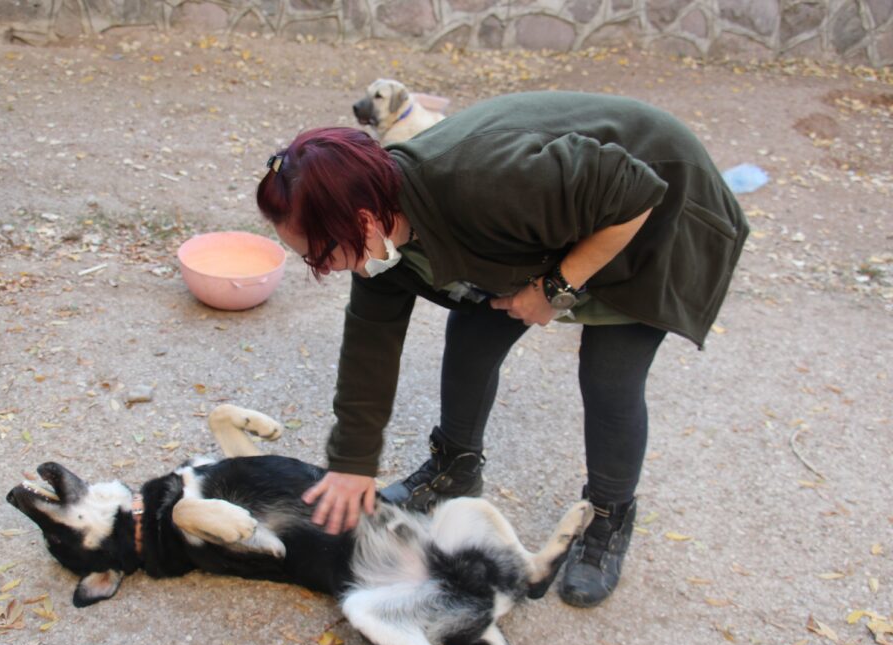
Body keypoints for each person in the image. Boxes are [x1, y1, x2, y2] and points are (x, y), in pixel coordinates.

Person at [256, 91, 748, 607]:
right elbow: (368, 347)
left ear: (363, 222)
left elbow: (635, 191)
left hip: (653, 208)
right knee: (473, 333)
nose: (324, 268)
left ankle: (608, 515)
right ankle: (455, 470)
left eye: (322, 254)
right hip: (560, 218)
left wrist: (555, 288)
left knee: (609, 374)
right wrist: (352, 462)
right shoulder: (382, 243)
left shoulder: (483, 183)